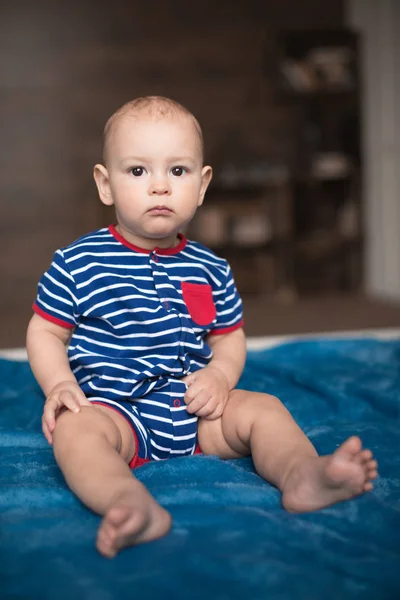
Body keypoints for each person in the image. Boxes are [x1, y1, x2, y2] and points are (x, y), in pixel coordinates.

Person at [26, 96, 378, 559]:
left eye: (177, 171)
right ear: (104, 184)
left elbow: (227, 337)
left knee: (265, 408)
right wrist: (59, 385)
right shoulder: (78, 261)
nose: (159, 187)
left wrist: (220, 376)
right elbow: (45, 331)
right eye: (137, 171)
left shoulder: (209, 267)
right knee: (75, 432)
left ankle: (302, 474)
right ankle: (127, 501)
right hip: (115, 411)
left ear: (203, 183)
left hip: (195, 413)